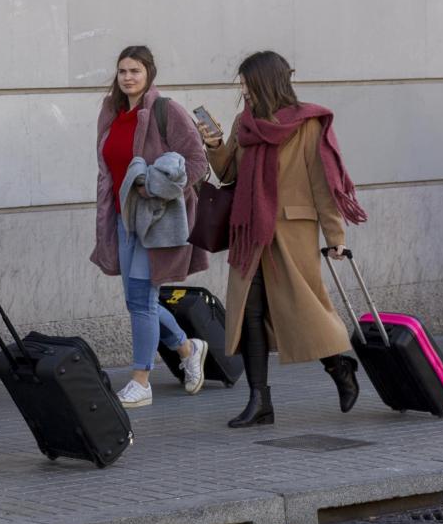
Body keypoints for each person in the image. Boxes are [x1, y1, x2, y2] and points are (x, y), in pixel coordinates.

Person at [210, 51, 367, 428]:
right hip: (250, 233)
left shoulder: (306, 124)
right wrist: (215, 144)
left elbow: (322, 183)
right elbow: (228, 173)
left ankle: (340, 365)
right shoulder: (244, 123)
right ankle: (260, 401)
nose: (243, 88)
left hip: (291, 230)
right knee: (249, 315)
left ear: (266, 81)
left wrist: (335, 235)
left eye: (247, 81)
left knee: (304, 310)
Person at [90, 46, 211, 409]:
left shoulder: (165, 110)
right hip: (121, 218)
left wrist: (158, 189)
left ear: (149, 74)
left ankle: (141, 380)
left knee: (142, 300)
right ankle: (189, 349)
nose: (128, 77)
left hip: (154, 220)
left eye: (136, 71)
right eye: (123, 71)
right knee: (137, 300)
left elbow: (197, 161)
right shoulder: (111, 113)